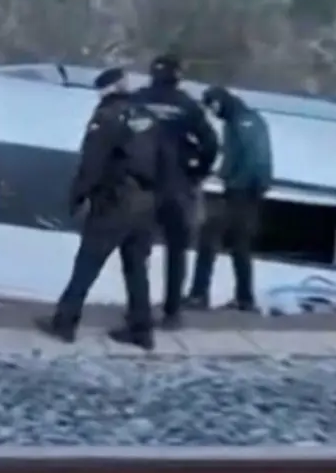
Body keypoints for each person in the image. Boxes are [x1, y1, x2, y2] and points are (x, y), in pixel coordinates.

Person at [35, 67, 175, 350]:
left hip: (115, 202)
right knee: (136, 268)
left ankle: (65, 322)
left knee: (87, 262)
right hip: (146, 203)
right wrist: (158, 199)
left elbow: (93, 162)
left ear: (105, 91)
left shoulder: (107, 117)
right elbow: (166, 161)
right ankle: (141, 329)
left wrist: (77, 197)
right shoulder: (148, 116)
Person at [129, 52, 218, 329]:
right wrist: (197, 172)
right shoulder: (187, 105)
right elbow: (211, 143)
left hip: (140, 186)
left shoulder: (137, 100)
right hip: (176, 188)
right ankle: (172, 312)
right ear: (177, 75)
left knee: (137, 251)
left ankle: (138, 311)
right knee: (176, 251)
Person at [188, 86, 274, 311]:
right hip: (249, 193)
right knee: (240, 246)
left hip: (238, 192)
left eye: (212, 107)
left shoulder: (240, 123)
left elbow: (249, 157)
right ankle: (245, 299)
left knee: (208, 240)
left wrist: (226, 177)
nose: (213, 113)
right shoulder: (251, 119)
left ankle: (199, 295)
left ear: (219, 103)